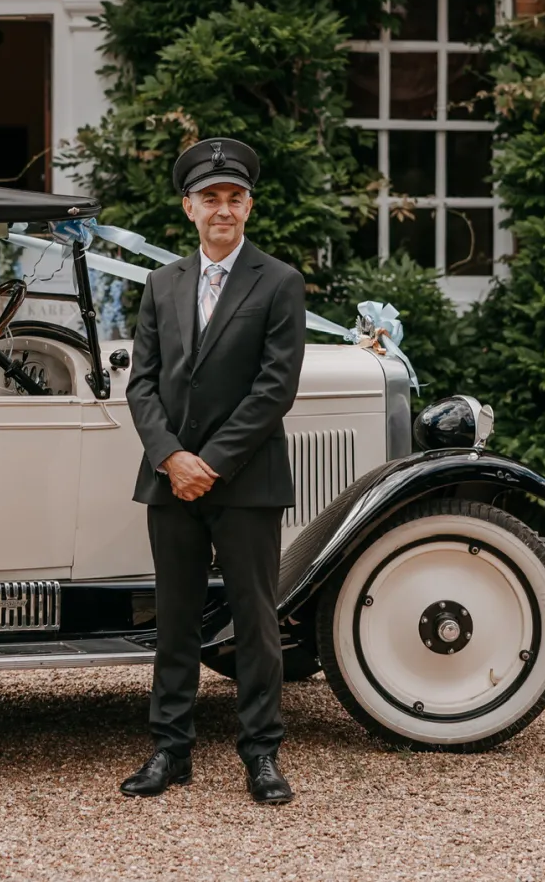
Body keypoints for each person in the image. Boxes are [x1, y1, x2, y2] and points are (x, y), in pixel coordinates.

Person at [120, 137, 306, 805]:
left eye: (233, 198)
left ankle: (262, 755)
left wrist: (213, 463)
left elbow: (274, 387)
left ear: (248, 206)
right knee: (175, 617)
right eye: (210, 198)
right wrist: (172, 457)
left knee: (255, 618)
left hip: (247, 480)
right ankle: (170, 750)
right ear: (189, 207)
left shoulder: (279, 281)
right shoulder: (161, 284)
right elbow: (141, 384)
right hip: (170, 479)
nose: (222, 209)